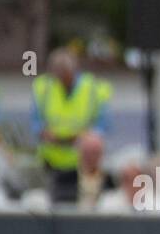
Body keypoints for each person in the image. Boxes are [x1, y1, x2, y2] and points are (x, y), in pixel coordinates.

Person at [31, 48, 112, 196]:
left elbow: (103, 125)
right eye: (59, 77)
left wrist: (87, 138)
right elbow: (36, 123)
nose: (63, 82)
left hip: (82, 163)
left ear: (74, 71)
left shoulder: (92, 88)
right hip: (50, 161)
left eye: (66, 77)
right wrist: (44, 133)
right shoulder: (43, 88)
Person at [67, 131, 114, 211]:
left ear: (101, 154)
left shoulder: (110, 180)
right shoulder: (66, 179)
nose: (91, 157)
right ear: (80, 152)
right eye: (87, 152)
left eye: (95, 152)